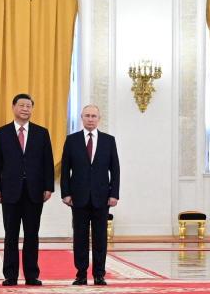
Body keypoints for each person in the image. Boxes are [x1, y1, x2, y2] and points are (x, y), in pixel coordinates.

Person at [0, 93, 54, 286]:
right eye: (22, 105)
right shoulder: (1, 133)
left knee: (32, 234)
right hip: (9, 191)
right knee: (10, 234)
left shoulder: (42, 133)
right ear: (13, 107)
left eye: (29, 106)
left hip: (35, 191)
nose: (26, 109)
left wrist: (48, 186)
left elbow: (48, 163)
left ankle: (32, 275)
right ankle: (10, 275)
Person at [61, 104, 119, 286]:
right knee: (80, 237)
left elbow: (115, 169)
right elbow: (65, 170)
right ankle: (81, 274)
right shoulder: (72, 140)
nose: (91, 119)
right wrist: (66, 193)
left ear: (99, 119)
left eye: (94, 116)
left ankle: (100, 274)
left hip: (102, 198)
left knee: (100, 238)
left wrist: (114, 194)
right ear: (82, 118)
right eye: (87, 116)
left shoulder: (109, 140)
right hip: (78, 198)